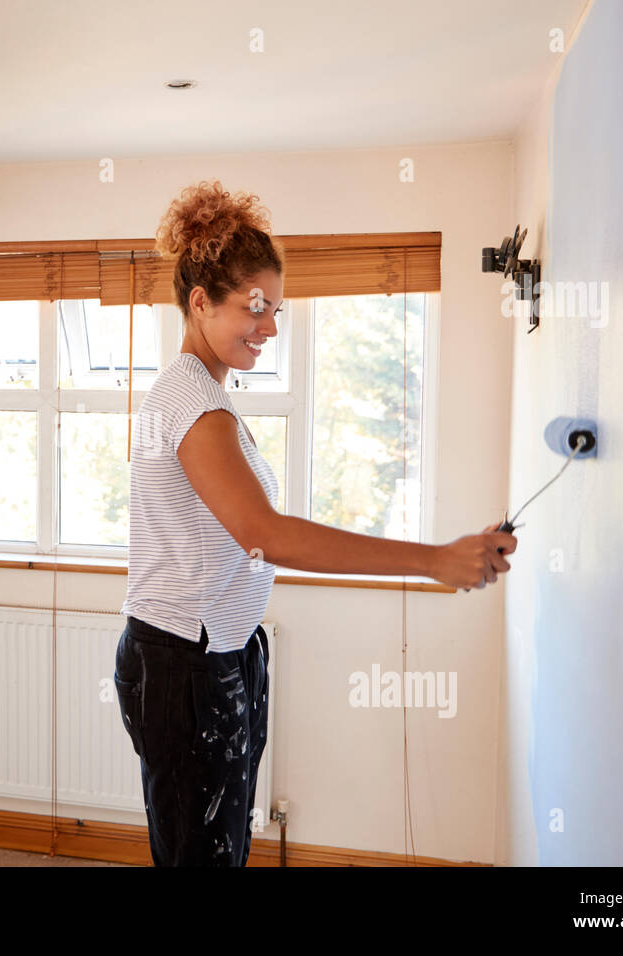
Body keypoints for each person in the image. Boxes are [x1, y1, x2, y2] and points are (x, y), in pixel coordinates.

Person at [114, 180, 516, 867]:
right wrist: (433, 560)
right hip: (183, 664)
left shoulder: (206, 393)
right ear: (201, 302)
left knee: (223, 848)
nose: (270, 326)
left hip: (218, 654)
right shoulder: (191, 399)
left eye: (277, 310)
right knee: (201, 857)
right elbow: (264, 534)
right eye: (256, 307)